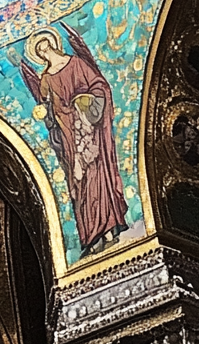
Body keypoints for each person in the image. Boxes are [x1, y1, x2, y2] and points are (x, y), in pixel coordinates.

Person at [9, 25, 128, 254]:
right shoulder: (46, 78)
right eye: (41, 51)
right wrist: (46, 111)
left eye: (46, 47)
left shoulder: (76, 63)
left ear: (53, 44)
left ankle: (111, 228)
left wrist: (86, 103)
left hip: (89, 129)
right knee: (79, 182)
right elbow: (45, 103)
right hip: (69, 135)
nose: (45, 52)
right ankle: (93, 235)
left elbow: (99, 85)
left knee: (98, 175)